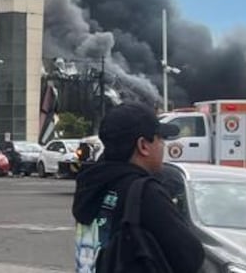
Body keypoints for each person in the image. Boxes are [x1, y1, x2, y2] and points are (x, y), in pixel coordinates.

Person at [72, 102, 204, 273]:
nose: (163, 146)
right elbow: (190, 256)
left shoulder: (90, 185)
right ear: (143, 145)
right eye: (160, 139)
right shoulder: (145, 193)